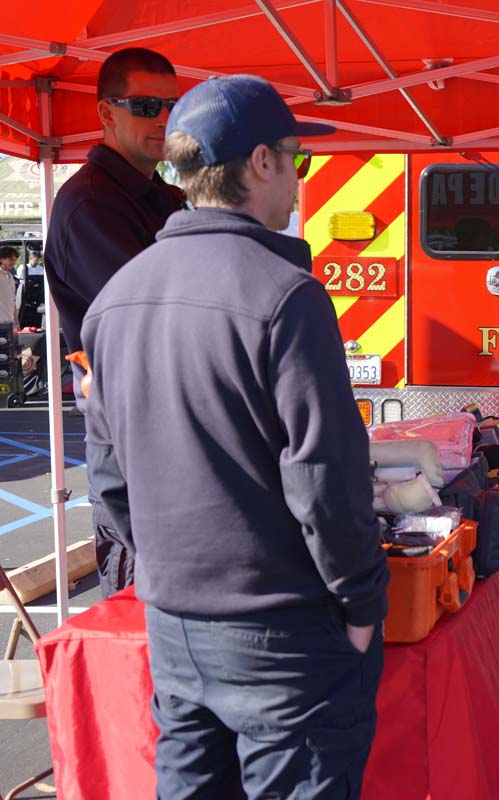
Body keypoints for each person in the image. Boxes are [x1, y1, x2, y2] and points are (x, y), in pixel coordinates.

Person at [80, 74, 390, 797]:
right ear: (259, 163)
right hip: (282, 634)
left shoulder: (117, 298)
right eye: (295, 159)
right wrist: (363, 606)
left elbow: (110, 481)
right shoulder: (287, 296)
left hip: (175, 624)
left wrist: (170, 571)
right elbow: (324, 479)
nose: (298, 180)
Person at [43, 47, 185, 598]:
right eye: (146, 105)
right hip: (132, 442)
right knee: (141, 611)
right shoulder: (89, 205)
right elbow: (153, 321)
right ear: (106, 114)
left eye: (171, 106)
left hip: (169, 434)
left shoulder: (166, 197)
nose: (163, 120)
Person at [0, 247, 17, 325]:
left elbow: (12, 301)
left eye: (14, 259)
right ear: (1, 259)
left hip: (9, 322)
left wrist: (17, 322)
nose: (13, 262)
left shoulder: (11, 277)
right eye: (10, 259)